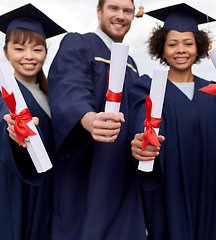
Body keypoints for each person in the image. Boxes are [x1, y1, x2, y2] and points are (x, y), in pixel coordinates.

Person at [47, 0, 146, 239]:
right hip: (87, 170)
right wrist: (88, 118)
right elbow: (70, 85)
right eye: (114, 8)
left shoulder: (131, 64)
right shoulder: (79, 43)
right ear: (99, 10)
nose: (121, 15)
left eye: (127, 11)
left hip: (123, 170)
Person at [129, 3, 216, 240]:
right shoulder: (147, 86)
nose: (181, 50)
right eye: (172, 44)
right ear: (161, 50)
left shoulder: (214, 91)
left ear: (199, 48)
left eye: (188, 43)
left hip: (209, 187)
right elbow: (143, 118)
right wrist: (143, 139)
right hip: (168, 187)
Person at [0, 4, 66, 240]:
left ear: (45, 52)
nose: (29, 56)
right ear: (6, 52)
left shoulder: (53, 95)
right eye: (19, 48)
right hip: (18, 190)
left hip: (51, 192)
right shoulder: (5, 94)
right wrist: (11, 132)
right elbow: (5, 123)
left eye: (37, 49)